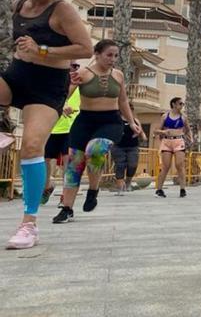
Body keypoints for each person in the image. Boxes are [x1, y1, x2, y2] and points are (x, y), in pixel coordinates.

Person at [3, 0, 93, 249]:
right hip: (17, 75)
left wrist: (41, 50)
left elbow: (84, 48)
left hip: (47, 86)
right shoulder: (19, 5)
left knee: (31, 145)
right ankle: (3, 128)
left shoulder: (62, 10)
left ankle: (29, 225)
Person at [53, 40, 142, 223]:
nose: (113, 59)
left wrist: (132, 123)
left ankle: (93, 191)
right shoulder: (83, 74)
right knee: (74, 165)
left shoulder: (118, 75)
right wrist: (65, 100)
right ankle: (67, 208)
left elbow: (123, 101)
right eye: (109, 55)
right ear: (97, 53)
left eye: (116, 56)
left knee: (94, 150)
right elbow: (65, 95)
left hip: (111, 121)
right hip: (84, 122)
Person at [41, 73, 80, 205]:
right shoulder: (52, 83)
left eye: (75, 67)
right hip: (51, 127)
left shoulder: (79, 87)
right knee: (45, 159)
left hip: (70, 128)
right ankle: (47, 187)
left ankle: (65, 194)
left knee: (67, 160)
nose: (72, 70)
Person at [154, 97, 192, 198]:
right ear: (174, 104)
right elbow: (156, 130)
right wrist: (163, 132)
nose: (182, 106)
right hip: (166, 141)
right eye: (180, 103)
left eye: (182, 104)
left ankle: (182, 189)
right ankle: (159, 189)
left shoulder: (183, 117)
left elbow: (188, 129)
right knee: (166, 166)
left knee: (179, 164)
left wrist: (190, 139)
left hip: (178, 141)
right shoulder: (165, 116)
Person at [112, 103, 147, 195]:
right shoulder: (117, 120)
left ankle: (128, 182)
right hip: (118, 146)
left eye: (131, 108)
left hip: (132, 147)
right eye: (128, 108)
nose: (130, 110)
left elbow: (141, 131)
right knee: (120, 165)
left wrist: (142, 135)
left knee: (132, 165)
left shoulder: (135, 120)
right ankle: (120, 187)